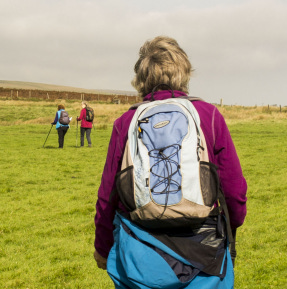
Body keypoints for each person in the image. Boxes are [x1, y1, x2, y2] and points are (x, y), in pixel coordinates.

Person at [93, 36, 247, 288]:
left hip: (138, 255)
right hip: (205, 254)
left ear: (141, 79)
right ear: (184, 74)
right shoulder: (208, 115)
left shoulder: (126, 122)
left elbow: (108, 195)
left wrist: (102, 246)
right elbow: (234, 188)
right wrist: (232, 226)